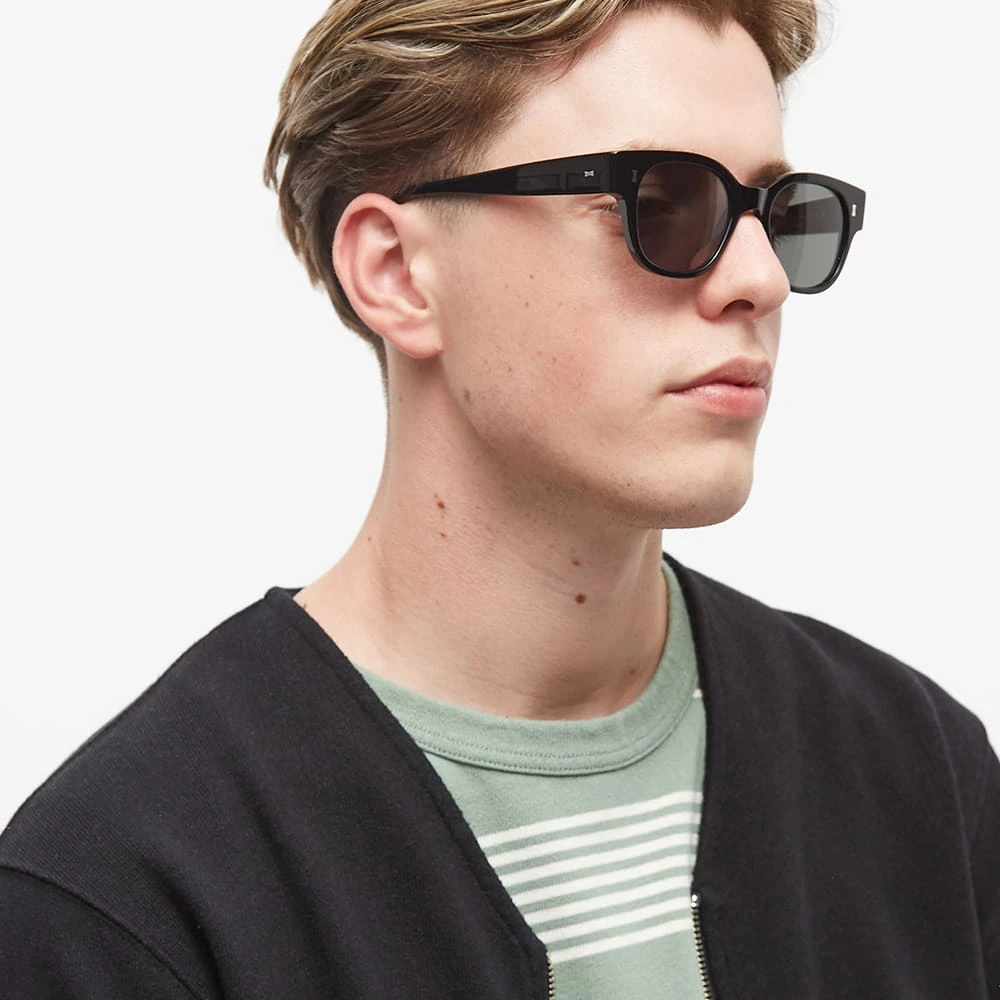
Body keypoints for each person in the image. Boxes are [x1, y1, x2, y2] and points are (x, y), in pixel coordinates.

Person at [0, 0, 996, 996]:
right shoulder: (124, 898)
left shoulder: (922, 774)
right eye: (660, 201)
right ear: (398, 272)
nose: (761, 279)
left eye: (777, 213)